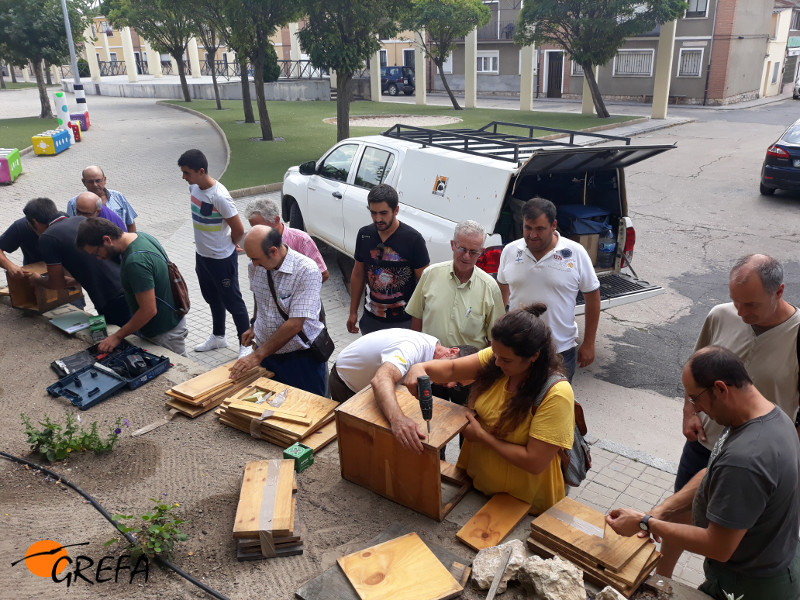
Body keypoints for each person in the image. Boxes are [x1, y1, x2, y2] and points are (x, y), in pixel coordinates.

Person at [607, 346, 800, 600]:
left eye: (694, 398)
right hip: (752, 570)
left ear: (721, 388)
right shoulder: (765, 415)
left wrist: (646, 523)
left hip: (754, 587)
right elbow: (710, 472)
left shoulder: (746, 459)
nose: (694, 408)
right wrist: (661, 511)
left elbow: (718, 546)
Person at [660, 253, 800, 579]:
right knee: (680, 511)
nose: (740, 312)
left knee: (734, 535)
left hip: (755, 460)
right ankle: (660, 576)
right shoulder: (720, 315)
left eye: (750, 305)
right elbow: (697, 371)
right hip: (707, 443)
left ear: (778, 292)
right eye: (736, 302)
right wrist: (690, 411)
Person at [405, 304, 575, 513]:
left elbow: (534, 461)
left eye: (506, 360)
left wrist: (482, 436)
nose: (497, 362)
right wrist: (420, 368)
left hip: (523, 504)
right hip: (477, 486)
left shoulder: (556, 394)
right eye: (494, 353)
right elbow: (450, 369)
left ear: (534, 356)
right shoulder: (497, 358)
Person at [497, 197, 600, 382]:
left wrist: (589, 343)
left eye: (539, 229)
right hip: (517, 349)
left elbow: (592, 298)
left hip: (559, 350)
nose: (532, 235)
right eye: (528, 228)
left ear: (554, 225)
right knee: (517, 405)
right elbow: (502, 290)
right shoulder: (510, 251)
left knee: (554, 406)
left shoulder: (575, 252)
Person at [406, 220, 504, 405]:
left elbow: (495, 340)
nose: (466, 256)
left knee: (467, 422)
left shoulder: (490, 288)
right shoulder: (431, 275)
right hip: (431, 368)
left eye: (473, 251)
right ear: (452, 245)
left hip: (468, 375)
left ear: (481, 252)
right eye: (462, 249)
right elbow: (417, 317)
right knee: (430, 421)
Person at [330, 329, 476, 446]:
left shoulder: (435, 360)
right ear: (452, 351)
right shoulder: (412, 348)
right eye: (453, 377)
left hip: (370, 388)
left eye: (457, 385)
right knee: (359, 440)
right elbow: (381, 380)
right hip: (347, 384)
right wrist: (398, 420)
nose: (450, 385)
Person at [228, 225, 326, 395]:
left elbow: (295, 324)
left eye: (256, 259)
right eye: (251, 259)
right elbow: (260, 296)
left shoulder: (306, 270)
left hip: (300, 359)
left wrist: (257, 356)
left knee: (307, 409)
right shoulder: (256, 266)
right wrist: (254, 324)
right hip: (267, 354)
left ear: (273, 251)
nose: (253, 264)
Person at [76, 218, 189, 356]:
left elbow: (148, 310)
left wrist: (117, 336)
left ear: (107, 240)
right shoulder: (141, 237)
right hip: (171, 321)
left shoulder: (135, 262)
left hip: (164, 332)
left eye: (96, 252)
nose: (98, 258)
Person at [178, 149, 251, 358]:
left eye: (187, 173)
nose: (184, 177)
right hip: (202, 256)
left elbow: (238, 230)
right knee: (212, 298)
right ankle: (219, 337)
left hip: (222, 259)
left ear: (201, 171)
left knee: (234, 302)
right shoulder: (194, 187)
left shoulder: (220, 196)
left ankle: (245, 343)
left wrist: (229, 246)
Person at [22, 198, 129, 326]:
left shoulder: (47, 238)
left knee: (122, 336)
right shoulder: (80, 220)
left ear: (35, 222)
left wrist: (38, 279)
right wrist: (76, 280)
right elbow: (93, 262)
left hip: (109, 297)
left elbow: (57, 283)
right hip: (127, 283)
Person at [347, 184, 429, 335]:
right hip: (371, 320)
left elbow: (426, 284)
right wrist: (353, 312)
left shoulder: (413, 239)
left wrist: (420, 324)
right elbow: (358, 273)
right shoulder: (365, 234)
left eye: (383, 213)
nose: (378, 219)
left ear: (396, 210)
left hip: (404, 323)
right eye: (373, 213)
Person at [244, 198, 329, 283]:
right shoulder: (256, 242)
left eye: (260, 227)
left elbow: (323, 274)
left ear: (276, 220)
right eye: (253, 227)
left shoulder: (302, 239)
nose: (256, 231)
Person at [67, 166, 138, 232]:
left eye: (98, 181)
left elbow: (130, 223)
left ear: (104, 180)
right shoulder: (74, 203)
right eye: (90, 182)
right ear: (84, 182)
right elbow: (72, 229)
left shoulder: (118, 196)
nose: (95, 185)